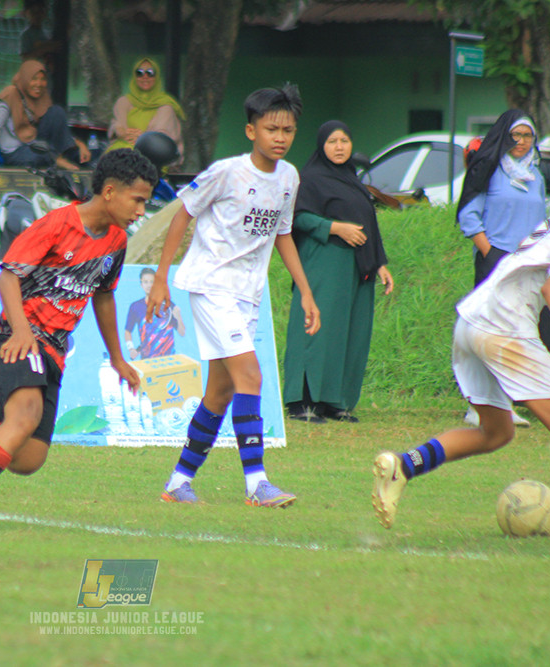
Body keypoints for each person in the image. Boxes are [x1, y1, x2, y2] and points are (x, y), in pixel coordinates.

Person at [372, 179, 550, 555]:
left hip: (472, 320)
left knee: (495, 432)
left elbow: (538, 257)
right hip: (505, 327)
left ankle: (404, 465)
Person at [0, 149, 159, 530]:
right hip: (17, 339)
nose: (141, 211)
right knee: (25, 417)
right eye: (139, 200)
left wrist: (117, 358)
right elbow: (8, 276)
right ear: (111, 191)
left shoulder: (115, 241)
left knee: (26, 459)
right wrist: (20, 330)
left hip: (54, 350)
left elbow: (103, 294)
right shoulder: (56, 225)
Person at [148, 85, 321, 507]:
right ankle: (257, 484)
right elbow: (182, 213)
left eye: (289, 130)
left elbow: (282, 235)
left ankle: (177, 482)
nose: (280, 137)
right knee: (251, 376)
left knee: (221, 392)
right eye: (271, 128)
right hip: (210, 285)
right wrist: (160, 277)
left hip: (248, 293)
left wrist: (306, 291)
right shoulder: (226, 172)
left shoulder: (290, 177)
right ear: (251, 130)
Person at [283, 121, 394, 424]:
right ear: (322, 145)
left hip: (358, 265)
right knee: (316, 328)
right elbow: (296, 217)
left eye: (345, 140)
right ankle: (301, 401)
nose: (340, 147)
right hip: (323, 259)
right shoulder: (310, 179)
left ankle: (334, 400)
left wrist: (379, 262)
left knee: (349, 332)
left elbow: (368, 222)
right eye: (333, 141)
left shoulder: (352, 180)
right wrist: (334, 227)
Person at [457, 109, 548, 427]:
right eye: (516, 135)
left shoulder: (535, 175)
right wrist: (490, 253)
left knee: (526, 331)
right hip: (496, 261)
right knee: (491, 331)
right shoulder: (490, 169)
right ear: (503, 136)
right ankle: (480, 406)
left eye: (528, 136)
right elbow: (469, 214)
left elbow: (542, 219)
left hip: (529, 264)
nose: (522, 142)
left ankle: (516, 400)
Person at [0, 60, 90, 171]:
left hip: (35, 143)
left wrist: (80, 144)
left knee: (56, 112)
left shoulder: (41, 96)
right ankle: (56, 160)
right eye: (34, 79)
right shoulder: (9, 96)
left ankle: (60, 157)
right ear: (25, 79)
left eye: (42, 79)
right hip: (16, 152)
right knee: (39, 156)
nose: (38, 84)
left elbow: (58, 128)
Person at [107, 57, 185, 164]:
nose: (145, 77)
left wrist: (142, 138)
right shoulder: (124, 102)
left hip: (153, 155)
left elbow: (161, 138)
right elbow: (118, 126)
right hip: (122, 151)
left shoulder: (165, 105)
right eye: (139, 73)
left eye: (150, 73)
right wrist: (122, 132)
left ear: (157, 76)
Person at [123, 267, 186, 360]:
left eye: (151, 282)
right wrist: (131, 349)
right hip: (147, 361)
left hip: (169, 360)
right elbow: (128, 331)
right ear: (141, 284)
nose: (149, 285)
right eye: (145, 282)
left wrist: (178, 317)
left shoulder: (168, 305)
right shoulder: (135, 307)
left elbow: (182, 332)